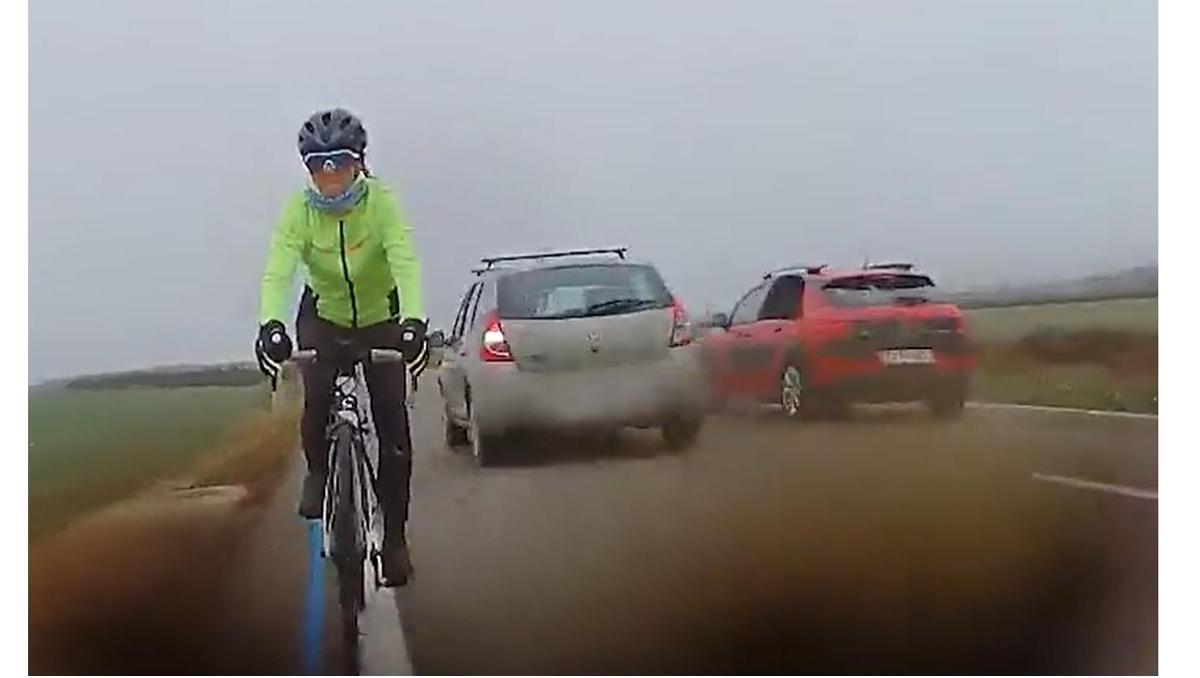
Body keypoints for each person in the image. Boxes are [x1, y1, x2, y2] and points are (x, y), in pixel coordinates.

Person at [254, 108, 427, 586]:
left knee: (394, 437)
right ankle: (317, 471)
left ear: (360, 163)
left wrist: (414, 322)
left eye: (340, 163)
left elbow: (405, 261)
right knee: (316, 404)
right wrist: (270, 323)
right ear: (307, 168)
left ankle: (393, 540)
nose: (329, 177)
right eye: (318, 165)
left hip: (380, 318)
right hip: (324, 317)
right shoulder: (298, 210)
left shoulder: (382, 203)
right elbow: (278, 270)